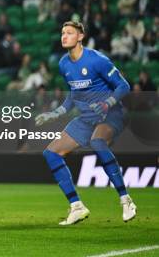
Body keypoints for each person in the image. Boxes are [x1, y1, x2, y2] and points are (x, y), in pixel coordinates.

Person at [35, 21, 136, 225]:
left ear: (80, 36)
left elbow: (124, 86)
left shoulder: (97, 60)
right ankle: (77, 207)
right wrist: (55, 113)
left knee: (98, 142)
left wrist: (107, 103)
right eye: (62, 33)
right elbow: (74, 94)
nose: (64, 36)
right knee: (51, 153)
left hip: (111, 113)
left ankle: (126, 200)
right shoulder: (64, 63)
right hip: (86, 117)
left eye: (69, 33)